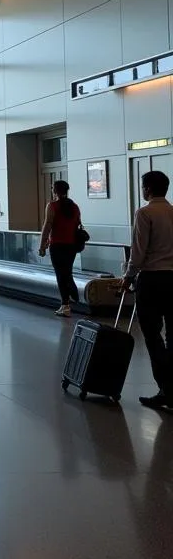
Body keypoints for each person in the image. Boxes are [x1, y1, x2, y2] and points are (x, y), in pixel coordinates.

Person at [121, 170, 173, 409]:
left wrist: (128, 276)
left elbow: (138, 253)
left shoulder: (144, 213)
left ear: (148, 189)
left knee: (152, 336)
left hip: (152, 280)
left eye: (143, 187)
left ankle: (167, 389)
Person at [38, 179, 82, 317]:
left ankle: (65, 305)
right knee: (67, 271)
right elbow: (78, 224)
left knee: (60, 274)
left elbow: (47, 225)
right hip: (72, 245)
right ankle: (70, 297)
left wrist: (42, 244)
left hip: (57, 244)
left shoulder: (52, 206)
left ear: (55, 191)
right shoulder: (75, 207)